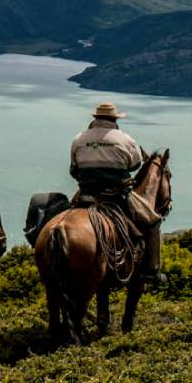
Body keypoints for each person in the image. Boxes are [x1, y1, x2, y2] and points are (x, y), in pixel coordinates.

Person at [69, 101, 162, 284]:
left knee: (64, 210)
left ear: (95, 118)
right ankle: (151, 271)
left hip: (87, 192)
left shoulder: (79, 138)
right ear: (114, 119)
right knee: (153, 221)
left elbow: (73, 169)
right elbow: (135, 165)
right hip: (116, 194)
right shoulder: (125, 139)